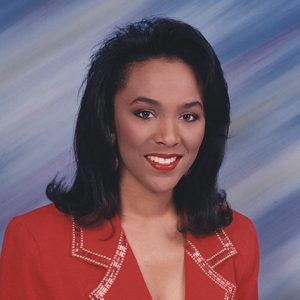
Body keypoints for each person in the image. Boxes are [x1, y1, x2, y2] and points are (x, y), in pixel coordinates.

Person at [0, 18, 259, 299]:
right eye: (145, 113)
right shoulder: (35, 240)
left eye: (188, 116)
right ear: (108, 123)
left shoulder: (237, 237)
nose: (169, 137)